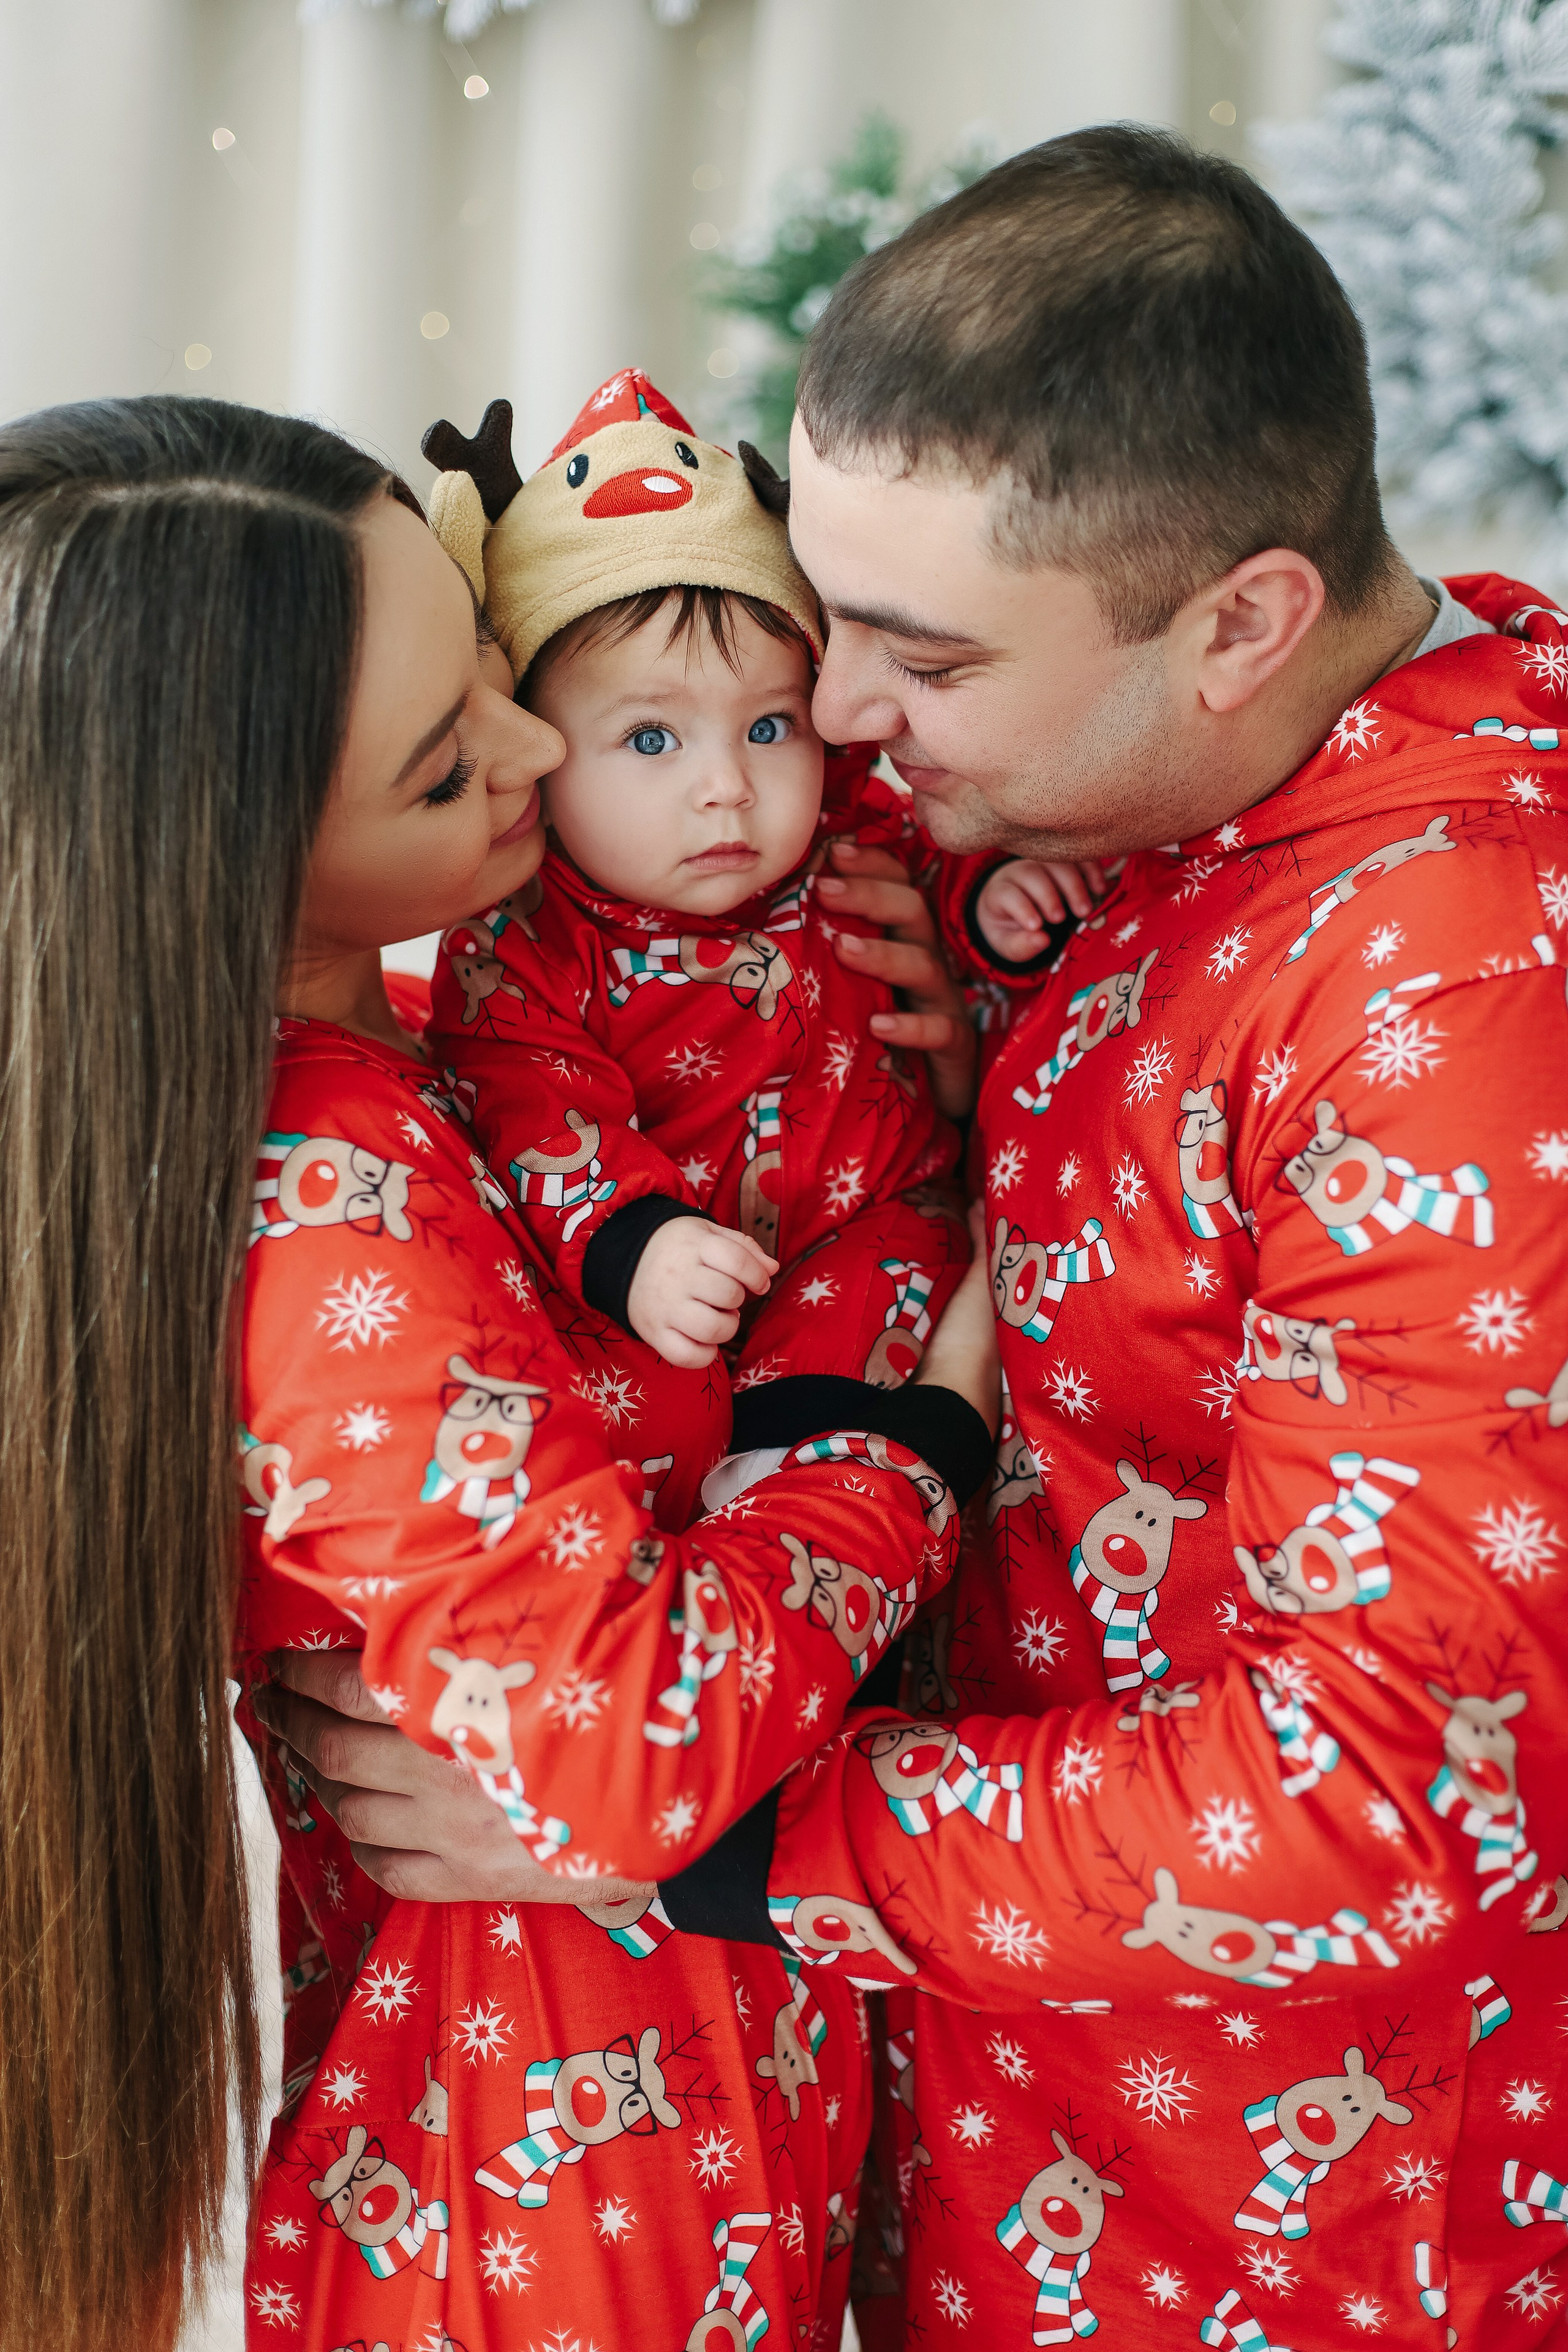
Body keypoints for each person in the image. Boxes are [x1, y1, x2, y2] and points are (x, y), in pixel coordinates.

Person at [276, 129, 1568, 2349]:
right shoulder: (1149, 789)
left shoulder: (1464, 979)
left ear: (1241, 618)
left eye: (916, 658)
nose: (843, 728)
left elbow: (1391, 1798)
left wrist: (693, 1840)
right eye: (825, 618)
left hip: (1268, 2232)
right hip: (972, 2128)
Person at [0, 393, 998, 2352]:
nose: (543, 740)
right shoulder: (325, 1190)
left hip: (659, 2089)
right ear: (234, 861)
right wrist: (922, 1441)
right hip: (562, 2164)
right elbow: (633, 1749)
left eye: (483, 648)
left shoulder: (385, 1040)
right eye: (460, 751)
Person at [419, 371, 1095, 1487]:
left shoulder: (846, 831)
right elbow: (538, 1113)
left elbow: (944, 855)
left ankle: (827, 1488)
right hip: (662, 1254)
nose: (728, 786)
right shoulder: (521, 941)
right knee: (631, 1401)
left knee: (850, 1370)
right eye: (650, 741)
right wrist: (635, 1244)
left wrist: (993, 910)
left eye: (771, 724)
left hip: (873, 1220)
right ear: (539, 751)